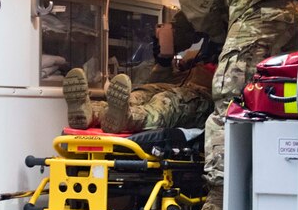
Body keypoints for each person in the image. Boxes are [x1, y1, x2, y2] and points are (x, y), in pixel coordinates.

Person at [166, 0, 298, 210]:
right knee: (276, 102)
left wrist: (212, 39)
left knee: (230, 105)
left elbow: (202, 7)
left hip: (260, 8)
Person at [63, 9, 215, 134]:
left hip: (208, 96)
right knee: (141, 94)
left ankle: (130, 118)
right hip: (184, 86)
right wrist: (164, 61)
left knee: (171, 101)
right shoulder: (194, 58)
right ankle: (91, 112)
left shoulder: (227, 63)